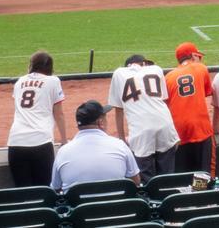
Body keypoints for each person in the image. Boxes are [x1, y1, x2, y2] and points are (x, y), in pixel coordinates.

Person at [108, 54, 180, 183]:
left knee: (146, 181)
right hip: (165, 126)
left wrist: (121, 138)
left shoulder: (119, 74)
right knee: (167, 178)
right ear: (143, 64)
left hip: (141, 132)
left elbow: (118, 110)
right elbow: (162, 100)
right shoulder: (156, 69)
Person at [7, 51, 68, 187]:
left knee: (23, 192)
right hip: (41, 142)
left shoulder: (19, 82)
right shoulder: (53, 81)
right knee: (44, 191)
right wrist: (64, 140)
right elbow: (58, 114)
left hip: (15, 142)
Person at [50, 100, 140, 192]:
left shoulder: (63, 152)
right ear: (101, 123)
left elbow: (55, 187)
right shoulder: (120, 146)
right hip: (116, 205)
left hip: (79, 206)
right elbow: (136, 182)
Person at [165, 42, 214, 174]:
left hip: (178, 132)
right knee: (204, 175)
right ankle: (202, 194)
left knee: (183, 176)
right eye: (198, 55)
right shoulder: (201, 68)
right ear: (192, 55)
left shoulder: (168, 77)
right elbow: (206, 93)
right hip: (201, 129)